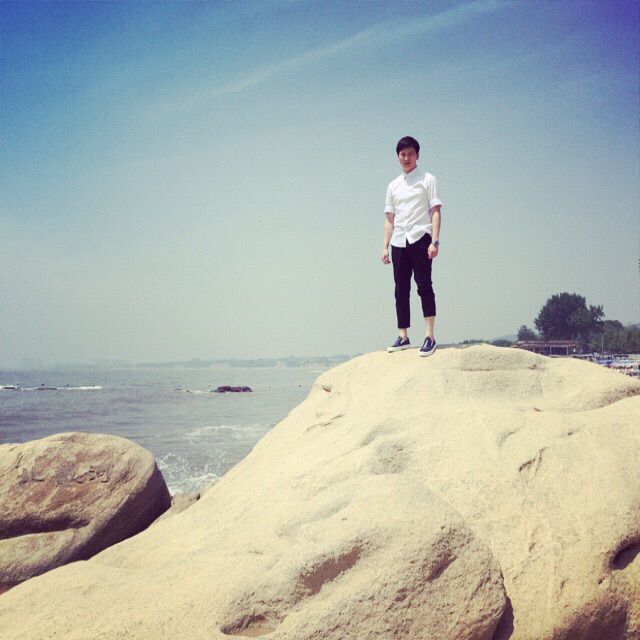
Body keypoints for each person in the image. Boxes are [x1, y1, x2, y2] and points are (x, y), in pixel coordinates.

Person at [381, 136, 442, 357]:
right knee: (400, 289)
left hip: (420, 237)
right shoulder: (393, 186)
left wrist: (435, 241)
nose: (406, 158)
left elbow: (435, 212)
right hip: (398, 241)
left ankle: (429, 336)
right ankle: (403, 336)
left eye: (410, 154)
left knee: (424, 285)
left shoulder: (428, 179)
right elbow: (389, 219)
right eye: (402, 154)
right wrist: (384, 246)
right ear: (398, 157)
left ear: (417, 155)